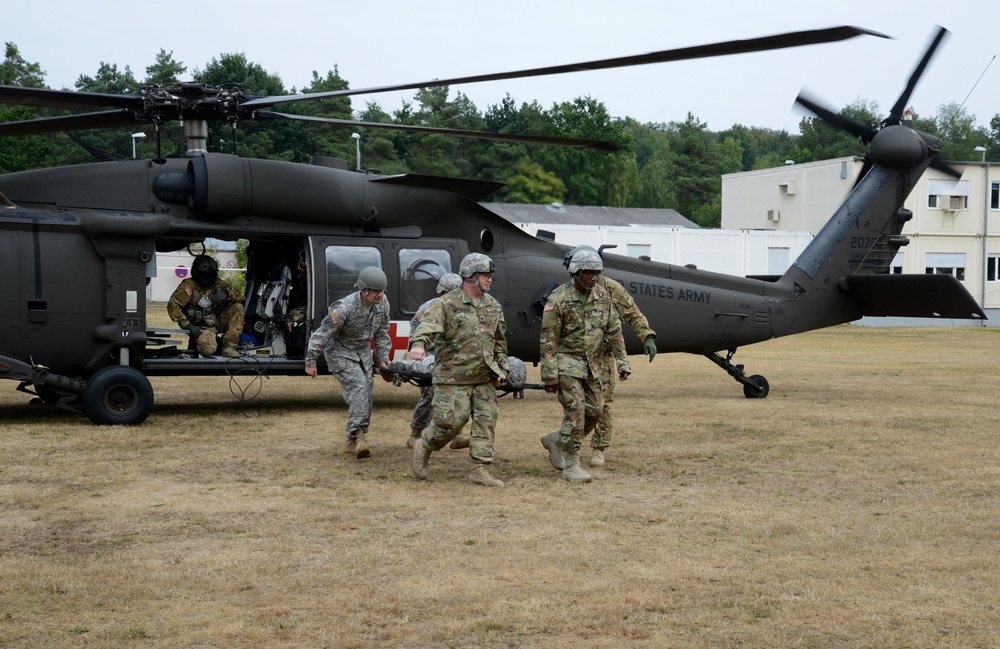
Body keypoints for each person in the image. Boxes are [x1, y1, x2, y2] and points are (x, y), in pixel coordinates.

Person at [409, 253, 509, 487]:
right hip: (452, 376)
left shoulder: (492, 305)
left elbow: (500, 341)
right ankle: (425, 445)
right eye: (485, 275)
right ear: (471, 276)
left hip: (484, 377)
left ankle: (479, 469)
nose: (490, 279)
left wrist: (502, 368)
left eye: (490, 275)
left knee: (487, 419)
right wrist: (418, 345)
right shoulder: (447, 303)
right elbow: (426, 326)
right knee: (450, 423)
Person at [559, 245, 657, 468]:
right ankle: (567, 445)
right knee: (575, 405)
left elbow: (632, 312)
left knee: (603, 405)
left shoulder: (609, 288)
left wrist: (647, 336)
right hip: (574, 358)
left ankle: (599, 448)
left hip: (601, 358)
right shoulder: (565, 293)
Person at [540, 249, 630, 482]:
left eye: (597, 273)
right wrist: (550, 377)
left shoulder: (602, 296)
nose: (594, 277)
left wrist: (622, 361)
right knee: (576, 412)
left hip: (593, 365)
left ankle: (557, 439)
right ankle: (572, 465)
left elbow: (614, 331)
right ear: (576, 272)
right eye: (589, 273)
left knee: (596, 411)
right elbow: (548, 341)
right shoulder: (558, 299)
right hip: (567, 364)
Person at [304, 266, 391, 459]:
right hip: (339, 351)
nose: (380, 295)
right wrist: (311, 361)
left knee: (366, 392)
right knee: (358, 387)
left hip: (362, 352)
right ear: (364, 290)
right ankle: (358, 436)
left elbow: (382, 333)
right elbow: (322, 334)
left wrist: (383, 360)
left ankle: (353, 440)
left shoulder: (383, 304)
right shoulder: (344, 308)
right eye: (376, 291)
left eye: (382, 290)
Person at [405, 272, 469, 450]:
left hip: (453, 357)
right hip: (429, 356)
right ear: (441, 292)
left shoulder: (464, 307)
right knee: (429, 395)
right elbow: (415, 335)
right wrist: (419, 352)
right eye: (447, 292)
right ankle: (415, 434)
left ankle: (458, 436)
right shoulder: (429, 308)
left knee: (459, 395)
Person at [167, 254, 244, 359]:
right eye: (205, 274)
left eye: (211, 274)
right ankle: (199, 343)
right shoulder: (189, 286)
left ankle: (229, 347)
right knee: (209, 349)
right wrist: (188, 325)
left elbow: (241, 297)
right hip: (199, 327)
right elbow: (173, 306)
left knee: (238, 307)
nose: (208, 277)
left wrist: (227, 293)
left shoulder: (218, 283)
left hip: (216, 321)